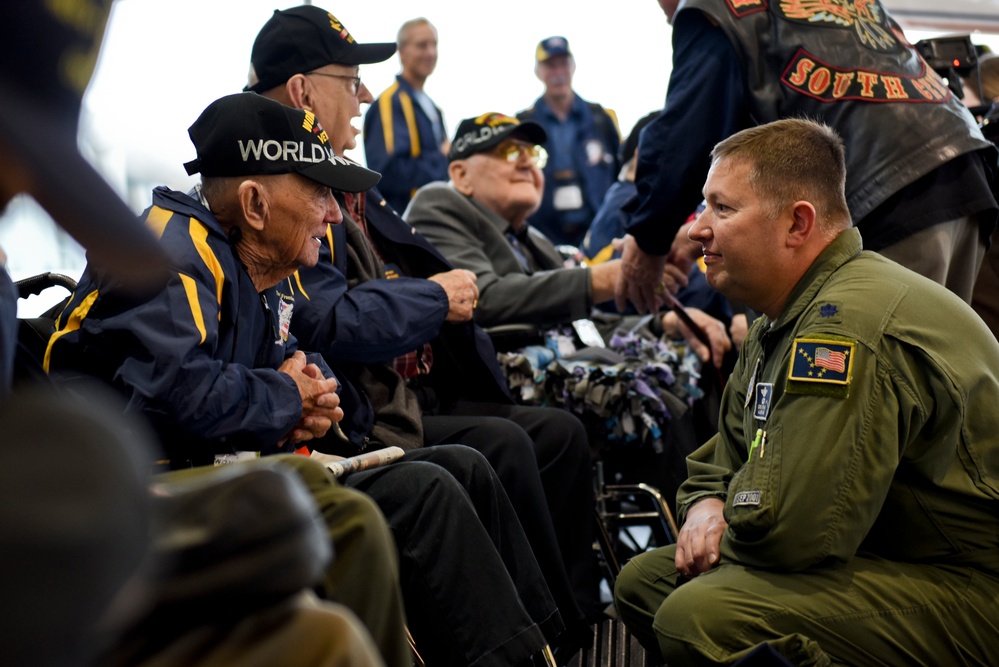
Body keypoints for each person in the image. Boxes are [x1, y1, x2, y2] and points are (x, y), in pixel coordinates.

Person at [46, 91, 559, 667]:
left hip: (222, 465)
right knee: (426, 494)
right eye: (319, 192)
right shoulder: (174, 253)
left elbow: (277, 377)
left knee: (463, 465)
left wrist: (312, 404)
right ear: (256, 204)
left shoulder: (267, 266)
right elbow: (176, 392)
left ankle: (546, 648)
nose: (336, 214)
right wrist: (287, 397)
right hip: (141, 487)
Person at [244, 7, 599, 655]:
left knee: (530, 438)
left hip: (380, 399)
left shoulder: (341, 184)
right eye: (350, 79)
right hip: (356, 416)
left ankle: (563, 634)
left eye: (532, 154)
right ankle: (546, 641)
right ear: (300, 92)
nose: (365, 95)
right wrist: (430, 300)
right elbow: (328, 315)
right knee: (477, 459)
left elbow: (344, 303)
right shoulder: (270, 182)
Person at [613, 118, 999, 665]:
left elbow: (799, 534)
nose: (698, 229)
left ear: (797, 224)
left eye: (722, 209)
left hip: (973, 586)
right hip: (894, 558)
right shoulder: (781, 321)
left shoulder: (844, 326)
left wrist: (726, 524)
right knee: (646, 583)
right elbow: (719, 461)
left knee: (698, 616)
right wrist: (705, 506)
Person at [615, 0, 998, 317]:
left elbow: (684, 136)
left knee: (865, 382)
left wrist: (648, 240)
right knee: (934, 377)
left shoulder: (712, 9)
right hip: (963, 162)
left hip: (889, 189)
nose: (663, 11)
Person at [407, 112, 730, 369]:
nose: (526, 161)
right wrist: (609, 276)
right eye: (507, 151)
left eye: (532, 153)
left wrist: (668, 323)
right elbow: (481, 298)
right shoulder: (438, 203)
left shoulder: (534, 238)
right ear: (461, 174)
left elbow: (583, 326)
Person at [516, 37, 621, 248]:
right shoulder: (523, 124)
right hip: (542, 234)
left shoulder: (600, 118)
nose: (558, 73)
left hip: (598, 233)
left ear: (573, 66)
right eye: (550, 66)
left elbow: (621, 176)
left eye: (563, 64)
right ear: (538, 72)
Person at [363, 17, 448, 214]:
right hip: (406, 223)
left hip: (434, 218)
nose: (431, 52)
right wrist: (444, 158)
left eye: (434, 45)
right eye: (421, 45)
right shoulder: (390, 103)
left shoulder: (432, 107)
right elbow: (388, 172)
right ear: (401, 52)